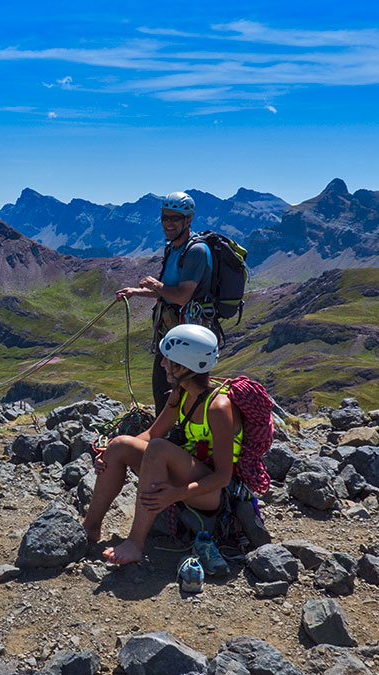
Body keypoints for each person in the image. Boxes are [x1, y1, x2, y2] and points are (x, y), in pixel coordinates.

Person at [81, 324, 246, 568]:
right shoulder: (180, 392)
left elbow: (223, 477)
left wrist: (176, 494)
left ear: (182, 366)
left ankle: (135, 544)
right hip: (189, 474)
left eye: (166, 360)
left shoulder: (218, 408)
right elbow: (153, 432)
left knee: (158, 448)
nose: (161, 365)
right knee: (119, 445)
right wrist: (111, 453)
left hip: (213, 493)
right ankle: (90, 527)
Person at [115, 191, 211, 416]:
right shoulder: (174, 247)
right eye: (164, 217)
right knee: (164, 386)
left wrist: (153, 285)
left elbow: (181, 296)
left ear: (188, 220)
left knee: (175, 386)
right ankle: (169, 435)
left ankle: (171, 438)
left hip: (188, 334)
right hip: (173, 329)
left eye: (174, 218)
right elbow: (169, 293)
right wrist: (136, 292)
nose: (168, 223)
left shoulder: (195, 251)